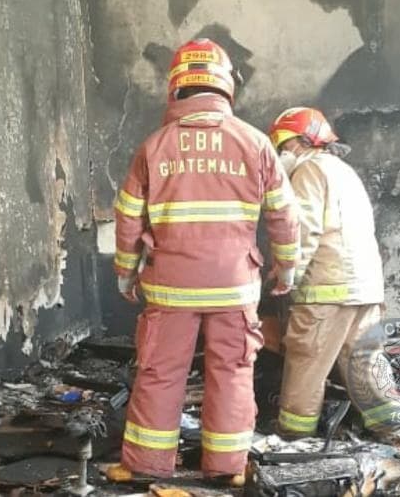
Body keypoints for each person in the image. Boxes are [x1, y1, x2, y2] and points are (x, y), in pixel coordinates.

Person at [108, 39, 299, 485]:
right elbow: (285, 214)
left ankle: (146, 465)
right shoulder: (255, 144)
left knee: (160, 373)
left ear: (176, 87)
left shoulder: (153, 147)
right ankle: (229, 468)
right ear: (227, 87)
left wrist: (125, 273)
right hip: (235, 286)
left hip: (171, 287)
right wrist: (285, 268)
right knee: (232, 372)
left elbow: (128, 216)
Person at [268, 107, 400, 436]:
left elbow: (304, 231)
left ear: (303, 141)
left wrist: (288, 276)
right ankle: (390, 428)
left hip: (326, 289)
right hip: (365, 288)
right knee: (365, 361)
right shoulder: (344, 172)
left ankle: (294, 435)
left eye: (283, 145)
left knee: (307, 361)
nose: (281, 154)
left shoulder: (308, 172)